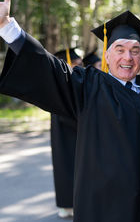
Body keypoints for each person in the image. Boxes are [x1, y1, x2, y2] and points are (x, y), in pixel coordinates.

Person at [0, 0, 140, 221]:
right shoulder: (89, 86)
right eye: (120, 49)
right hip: (102, 207)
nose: (128, 57)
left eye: (135, 50)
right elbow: (48, 67)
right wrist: (6, 25)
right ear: (106, 54)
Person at [51, 48, 82, 218]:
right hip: (65, 132)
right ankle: (66, 205)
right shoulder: (62, 82)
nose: (78, 65)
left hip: (72, 132)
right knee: (65, 169)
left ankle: (70, 204)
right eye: (75, 62)